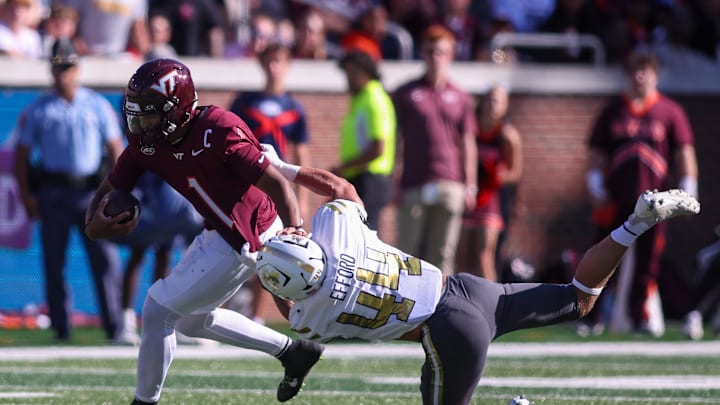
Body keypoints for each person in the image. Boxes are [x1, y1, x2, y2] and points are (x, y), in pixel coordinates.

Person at [255, 147, 700, 404]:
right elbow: (339, 189)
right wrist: (281, 170)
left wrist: (264, 273)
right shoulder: (335, 229)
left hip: (445, 333)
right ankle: (636, 223)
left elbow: (293, 313)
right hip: (469, 288)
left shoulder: (309, 317)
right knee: (579, 297)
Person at [83, 58, 343, 404]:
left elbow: (278, 185)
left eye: (150, 114)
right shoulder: (149, 141)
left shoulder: (217, 130)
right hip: (219, 230)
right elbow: (106, 190)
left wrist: (294, 227)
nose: (141, 125)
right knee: (190, 320)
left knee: (157, 310)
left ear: (177, 110)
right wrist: (93, 226)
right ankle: (293, 352)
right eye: (137, 114)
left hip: (248, 231)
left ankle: (143, 401)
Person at [12, 39, 125, 343]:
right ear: (51, 70)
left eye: (68, 67)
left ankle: (114, 325)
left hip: (90, 192)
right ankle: (61, 328)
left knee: (104, 259)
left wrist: (118, 192)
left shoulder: (96, 105)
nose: (64, 74)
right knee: (54, 263)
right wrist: (27, 196)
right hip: (54, 193)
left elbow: (116, 149)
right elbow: (22, 156)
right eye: (59, 68)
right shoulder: (39, 109)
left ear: (78, 68)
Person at [586, 51, 699, 336]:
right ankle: (590, 314)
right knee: (605, 257)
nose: (640, 76)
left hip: (654, 202)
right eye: (635, 70)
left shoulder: (670, 111)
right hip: (616, 198)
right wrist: (595, 182)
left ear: (655, 75)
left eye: (645, 70)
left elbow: (684, 152)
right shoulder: (612, 110)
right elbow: (597, 152)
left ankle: (639, 317)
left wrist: (689, 186)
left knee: (648, 263)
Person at [228, 42, 312, 325]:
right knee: (237, 248)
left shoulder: (295, 109)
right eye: (270, 60)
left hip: (277, 188)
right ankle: (226, 313)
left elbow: (300, 158)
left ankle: (257, 317)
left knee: (273, 253)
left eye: (279, 60)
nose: (274, 66)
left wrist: (301, 201)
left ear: (288, 65)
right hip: (247, 186)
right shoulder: (244, 103)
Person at [391, 24, 477, 275]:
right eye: (430, 51)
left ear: (450, 55)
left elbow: (468, 142)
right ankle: (403, 309)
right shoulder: (406, 93)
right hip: (413, 182)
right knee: (406, 252)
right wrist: (395, 177)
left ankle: (441, 309)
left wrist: (470, 184)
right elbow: (397, 138)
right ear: (422, 54)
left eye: (441, 51)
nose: (435, 57)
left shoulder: (461, 97)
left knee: (443, 253)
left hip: (450, 183)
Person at [112, 172, 203, 346]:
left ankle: (162, 320)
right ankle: (125, 324)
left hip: (169, 199)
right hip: (148, 195)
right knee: (138, 251)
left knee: (164, 254)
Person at [456, 85, 522, 281]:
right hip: (469, 196)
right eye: (490, 99)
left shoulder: (507, 135)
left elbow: (515, 172)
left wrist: (495, 175)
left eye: (498, 101)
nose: (493, 105)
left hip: (491, 200)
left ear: (505, 107)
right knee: (462, 256)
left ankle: (492, 303)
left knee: (484, 255)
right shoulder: (470, 130)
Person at [332, 50, 395, 231]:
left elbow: (378, 148)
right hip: (360, 177)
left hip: (370, 179)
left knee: (365, 234)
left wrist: (344, 167)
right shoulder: (360, 99)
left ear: (367, 72)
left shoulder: (374, 99)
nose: (349, 78)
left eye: (353, 72)